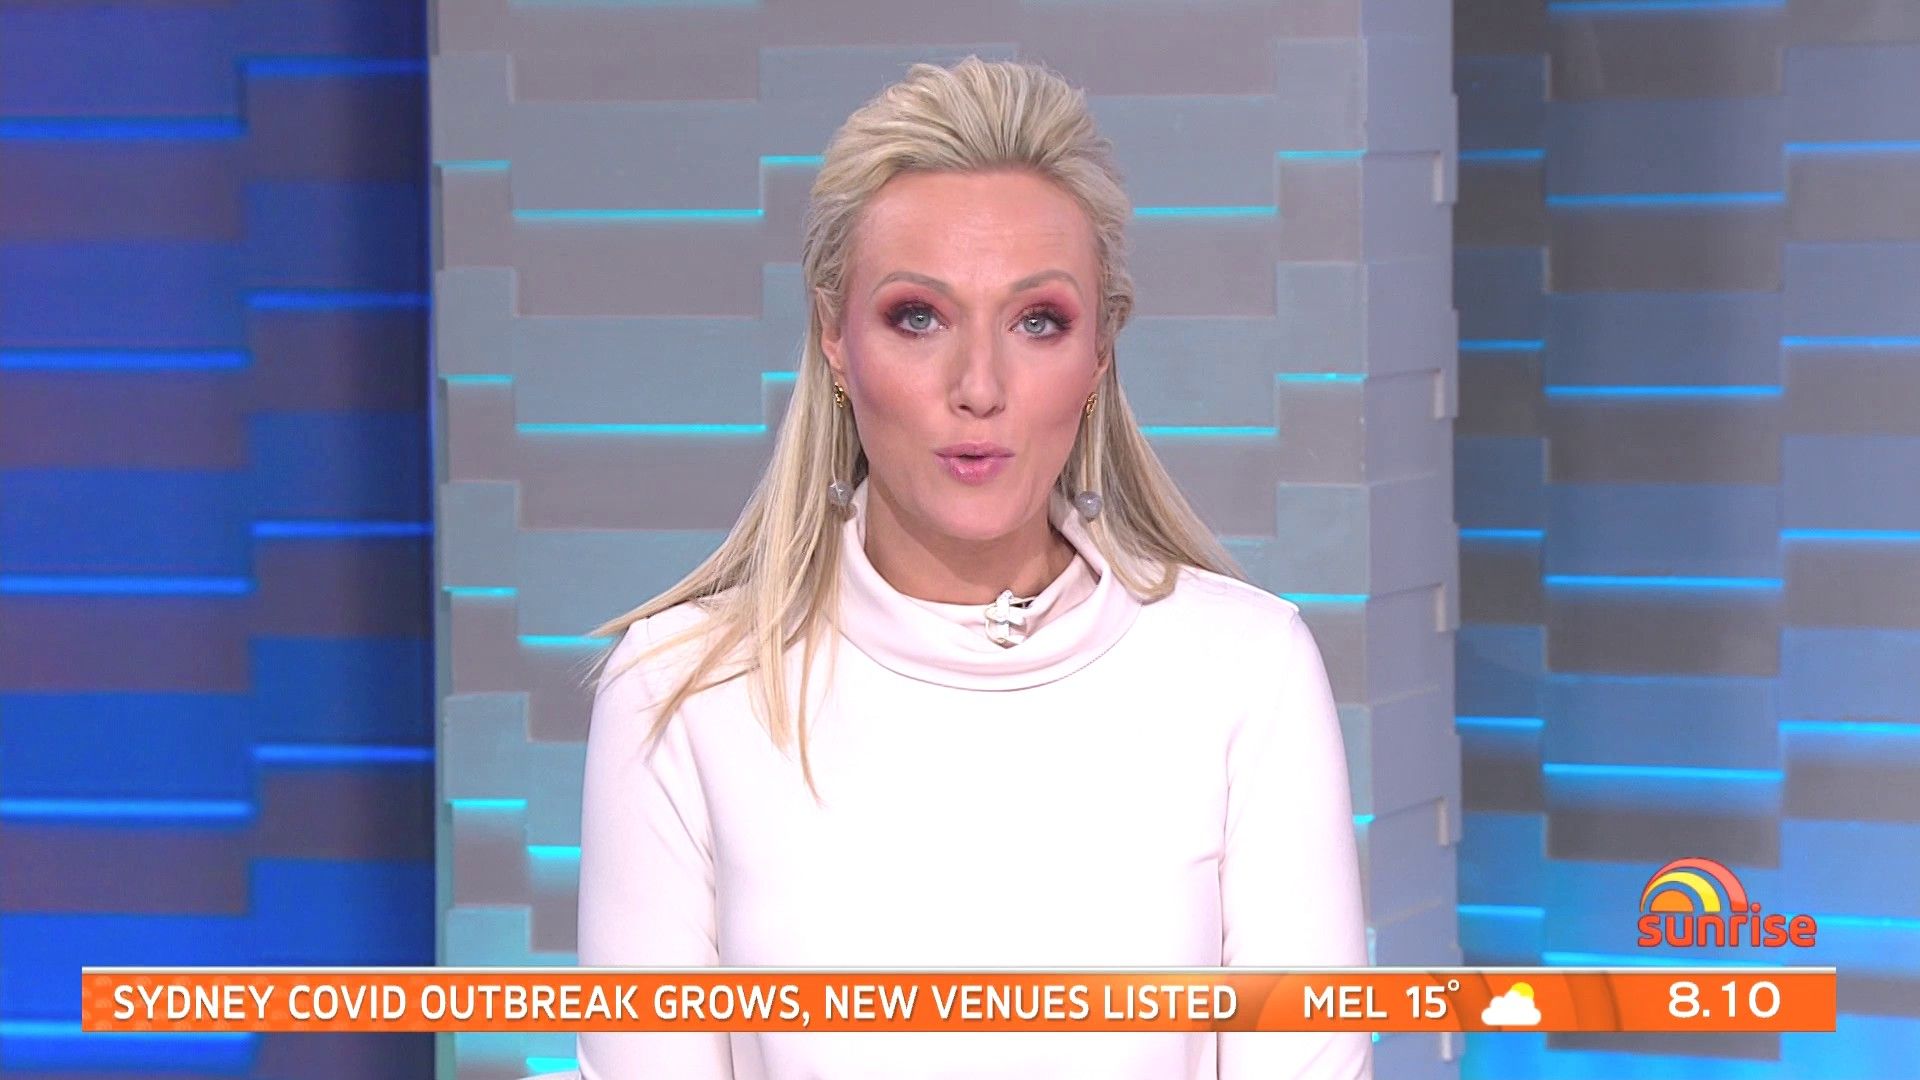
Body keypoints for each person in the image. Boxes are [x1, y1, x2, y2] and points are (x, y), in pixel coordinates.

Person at [573, 55, 1370, 1080]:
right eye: (919, 317)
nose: (979, 386)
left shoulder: (1247, 670)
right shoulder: (681, 691)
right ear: (835, 340)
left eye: (1038, 322)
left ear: (1098, 355)